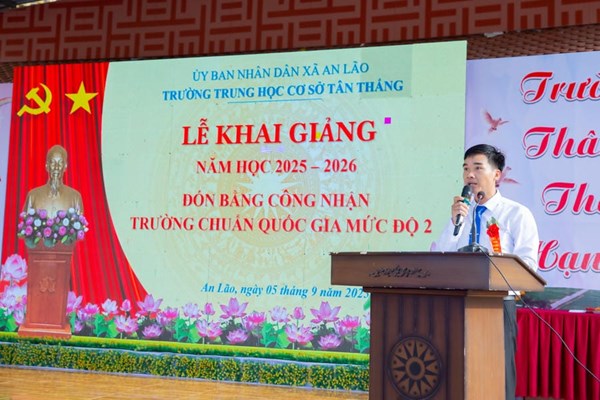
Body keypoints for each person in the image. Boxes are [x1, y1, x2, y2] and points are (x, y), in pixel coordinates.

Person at [432, 143, 539, 400]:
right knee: (457, 375)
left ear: (497, 174)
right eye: (466, 168)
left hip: (497, 306)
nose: (470, 174)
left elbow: (528, 264)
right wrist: (454, 221)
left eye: (478, 168)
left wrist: (494, 268)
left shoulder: (516, 214)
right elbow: (439, 258)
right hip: (457, 305)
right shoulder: (461, 215)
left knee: (497, 376)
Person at [23, 144, 83, 216]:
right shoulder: (33, 196)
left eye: (60, 163)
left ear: (65, 166)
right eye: (53, 163)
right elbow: (25, 221)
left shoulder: (75, 197)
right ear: (47, 166)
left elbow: (80, 221)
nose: (56, 167)